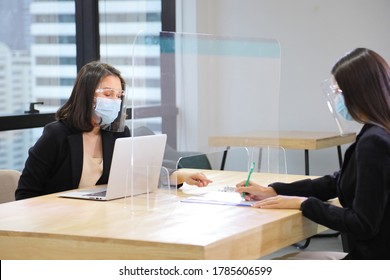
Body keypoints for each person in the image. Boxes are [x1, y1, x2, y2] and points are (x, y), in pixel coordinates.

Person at [236, 48, 390, 260]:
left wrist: (303, 203)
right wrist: (274, 190)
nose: (337, 100)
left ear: (358, 92)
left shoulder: (374, 142)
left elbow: (363, 224)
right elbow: (337, 181)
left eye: (338, 93)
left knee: (280, 264)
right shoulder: (379, 132)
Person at [16, 61, 212, 200]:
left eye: (119, 95)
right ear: (86, 95)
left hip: (100, 216)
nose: (115, 101)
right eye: (108, 94)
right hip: (58, 220)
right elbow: (26, 192)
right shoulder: (56, 135)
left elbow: (139, 175)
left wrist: (181, 176)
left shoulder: (117, 133)